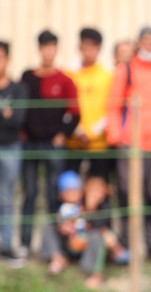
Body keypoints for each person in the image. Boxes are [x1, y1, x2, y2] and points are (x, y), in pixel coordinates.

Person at [106, 26, 151, 261]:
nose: (149, 44)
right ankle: (127, 247)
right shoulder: (125, 69)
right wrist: (116, 135)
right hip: (130, 142)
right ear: (139, 42)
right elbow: (113, 105)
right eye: (145, 40)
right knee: (128, 195)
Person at [20, 30, 80, 254]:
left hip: (53, 146)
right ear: (39, 49)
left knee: (54, 194)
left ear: (56, 49)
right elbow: (21, 108)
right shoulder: (28, 77)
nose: (48, 51)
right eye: (44, 46)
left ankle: (55, 248)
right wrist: (22, 131)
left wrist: (62, 134)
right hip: (30, 145)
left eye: (51, 46)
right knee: (30, 192)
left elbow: (75, 113)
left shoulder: (64, 80)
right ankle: (25, 244)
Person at [66, 28, 114, 182]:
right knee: (70, 185)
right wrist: (79, 131)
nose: (89, 51)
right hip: (74, 141)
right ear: (79, 47)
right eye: (85, 46)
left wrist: (93, 132)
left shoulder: (107, 75)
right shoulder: (69, 74)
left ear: (99, 49)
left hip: (98, 143)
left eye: (93, 47)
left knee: (98, 186)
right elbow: (65, 107)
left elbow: (111, 108)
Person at [0, 40, 26, 260]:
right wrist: (4, 114)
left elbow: (17, 120)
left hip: (10, 147)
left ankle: (7, 245)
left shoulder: (18, 88)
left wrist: (9, 117)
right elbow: (8, 117)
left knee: (7, 197)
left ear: (7, 59)